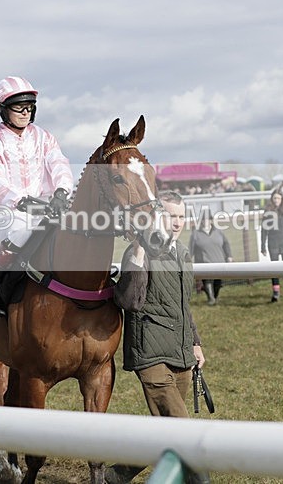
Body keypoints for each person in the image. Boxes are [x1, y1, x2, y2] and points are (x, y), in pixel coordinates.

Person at [107, 191, 209, 484]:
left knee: (166, 432)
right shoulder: (138, 251)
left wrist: (195, 342)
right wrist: (138, 255)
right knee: (185, 433)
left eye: (180, 216)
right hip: (150, 356)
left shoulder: (183, 253)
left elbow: (182, 305)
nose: (176, 222)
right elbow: (128, 301)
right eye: (170, 216)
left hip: (181, 354)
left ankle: (116, 475)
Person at [0, 76, 74, 316]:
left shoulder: (44, 137)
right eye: (18, 108)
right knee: (22, 233)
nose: (25, 112)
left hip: (45, 207)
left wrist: (62, 190)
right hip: (7, 210)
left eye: (29, 107)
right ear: (2, 111)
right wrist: (18, 199)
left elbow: (58, 163)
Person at [189, 212, 233, 305]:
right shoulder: (195, 234)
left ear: (211, 220)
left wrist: (229, 256)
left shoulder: (219, 232)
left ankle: (214, 297)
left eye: (207, 219)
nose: (205, 221)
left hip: (219, 262)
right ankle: (211, 299)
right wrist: (188, 259)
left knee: (218, 283)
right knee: (207, 280)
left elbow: (226, 244)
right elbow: (191, 249)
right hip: (204, 263)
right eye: (203, 219)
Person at [260, 189, 283, 302]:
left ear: (282, 199)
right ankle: (276, 292)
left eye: (278, 198)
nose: (276, 201)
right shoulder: (268, 213)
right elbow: (264, 230)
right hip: (273, 243)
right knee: (274, 268)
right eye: (274, 198)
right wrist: (263, 246)